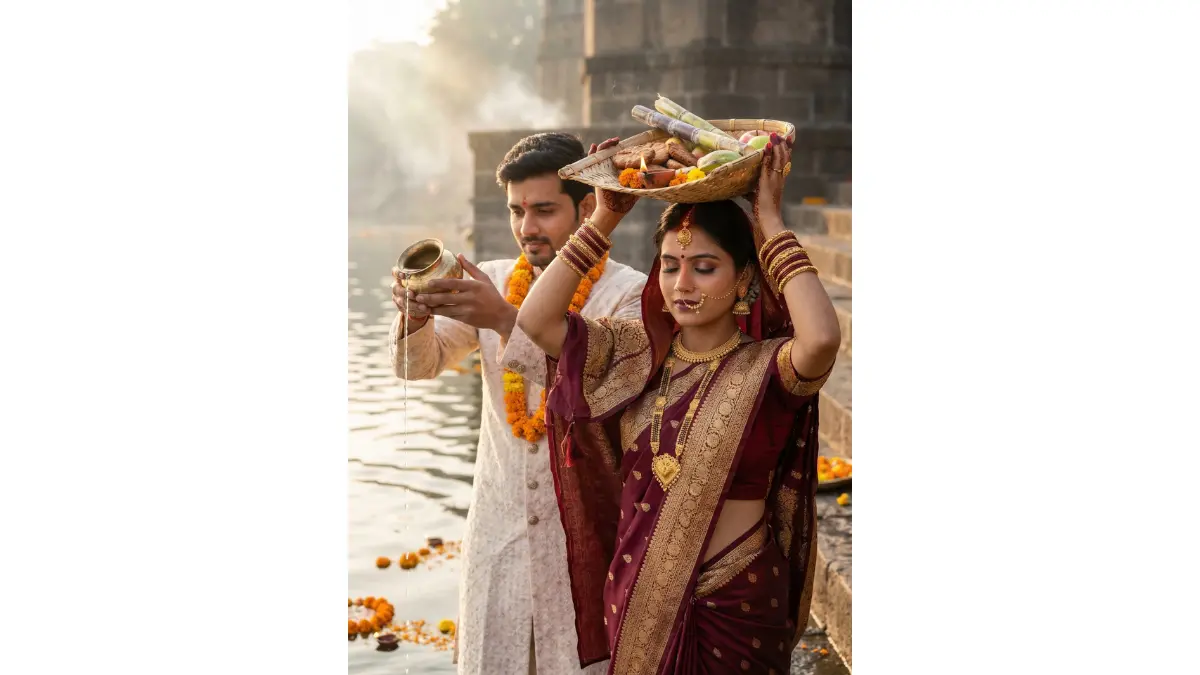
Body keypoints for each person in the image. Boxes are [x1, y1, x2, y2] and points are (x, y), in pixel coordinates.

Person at [514, 134, 840, 675]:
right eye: (669, 266)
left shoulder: (768, 368)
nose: (681, 284)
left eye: (704, 267)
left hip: (736, 596)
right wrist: (601, 221)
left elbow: (823, 339)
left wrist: (771, 223)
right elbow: (537, 323)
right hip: (643, 590)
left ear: (744, 280)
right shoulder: (635, 352)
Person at [388, 132, 646, 675]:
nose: (527, 228)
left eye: (545, 210)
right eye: (516, 211)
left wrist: (506, 321)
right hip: (497, 536)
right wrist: (415, 317)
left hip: (581, 541)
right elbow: (419, 367)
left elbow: (600, 394)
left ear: (586, 208)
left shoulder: (631, 294)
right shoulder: (497, 281)